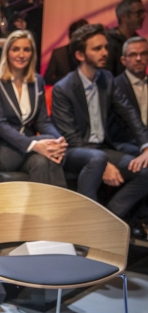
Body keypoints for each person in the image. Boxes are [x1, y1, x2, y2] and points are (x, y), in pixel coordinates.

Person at [51, 24, 148, 238]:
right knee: (96, 158)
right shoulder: (63, 88)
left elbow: (129, 113)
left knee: (146, 169)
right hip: (75, 151)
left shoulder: (107, 79)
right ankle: (88, 229)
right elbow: (71, 138)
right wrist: (104, 162)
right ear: (79, 54)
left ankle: (106, 220)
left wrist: (146, 146)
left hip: (102, 150)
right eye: (97, 49)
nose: (105, 52)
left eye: (105, 47)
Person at [0, 30, 68, 187]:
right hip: (4, 150)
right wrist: (35, 144)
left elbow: (43, 121)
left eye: (26, 49)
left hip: (29, 151)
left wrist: (58, 139)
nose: (21, 55)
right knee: (47, 147)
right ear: (7, 52)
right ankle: (64, 209)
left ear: (32, 53)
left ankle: (47, 211)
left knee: (42, 161)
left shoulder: (37, 81)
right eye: (15, 49)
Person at [111, 36, 148, 156]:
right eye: (133, 55)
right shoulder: (114, 86)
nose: (138, 58)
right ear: (123, 60)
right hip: (126, 144)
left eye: (143, 54)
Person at [106, 0, 146, 77]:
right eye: (138, 13)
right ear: (123, 16)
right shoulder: (109, 42)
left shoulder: (138, 40)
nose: (143, 16)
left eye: (143, 12)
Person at [44, 19, 89, 86]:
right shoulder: (59, 54)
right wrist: (64, 79)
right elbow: (46, 78)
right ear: (70, 37)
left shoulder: (90, 53)